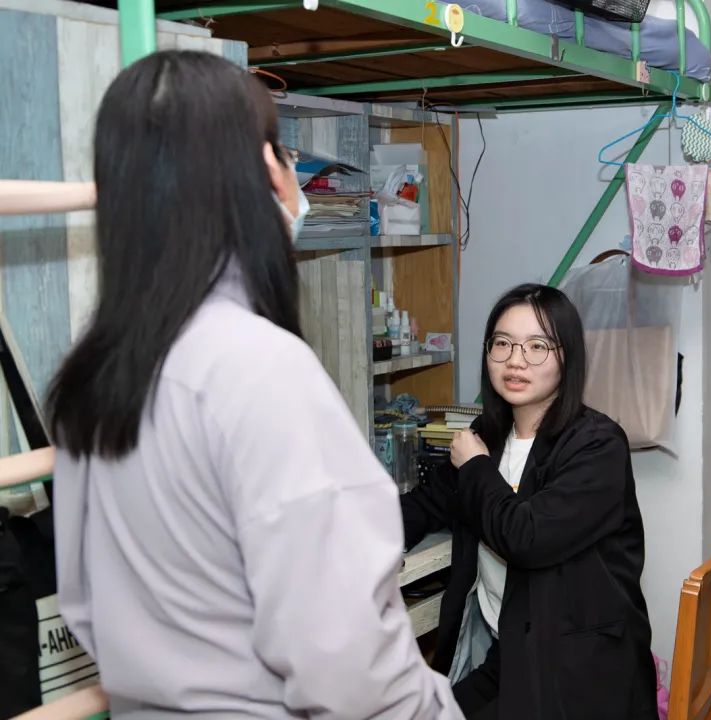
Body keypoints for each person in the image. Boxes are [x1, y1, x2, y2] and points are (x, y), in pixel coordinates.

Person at [46, 50, 461, 719]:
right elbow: (346, 662)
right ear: (269, 170)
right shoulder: (259, 368)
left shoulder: (95, 371)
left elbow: (85, 604)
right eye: (287, 152)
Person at [401, 284, 657, 720]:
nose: (516, 360)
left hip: (580, 674)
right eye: (502, 343)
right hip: (511, 656)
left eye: (537, 346)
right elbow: (426, 505)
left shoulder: (597, 446)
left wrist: (476, 467)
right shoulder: (489, 437)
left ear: (567, 357)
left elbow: (527, 537)